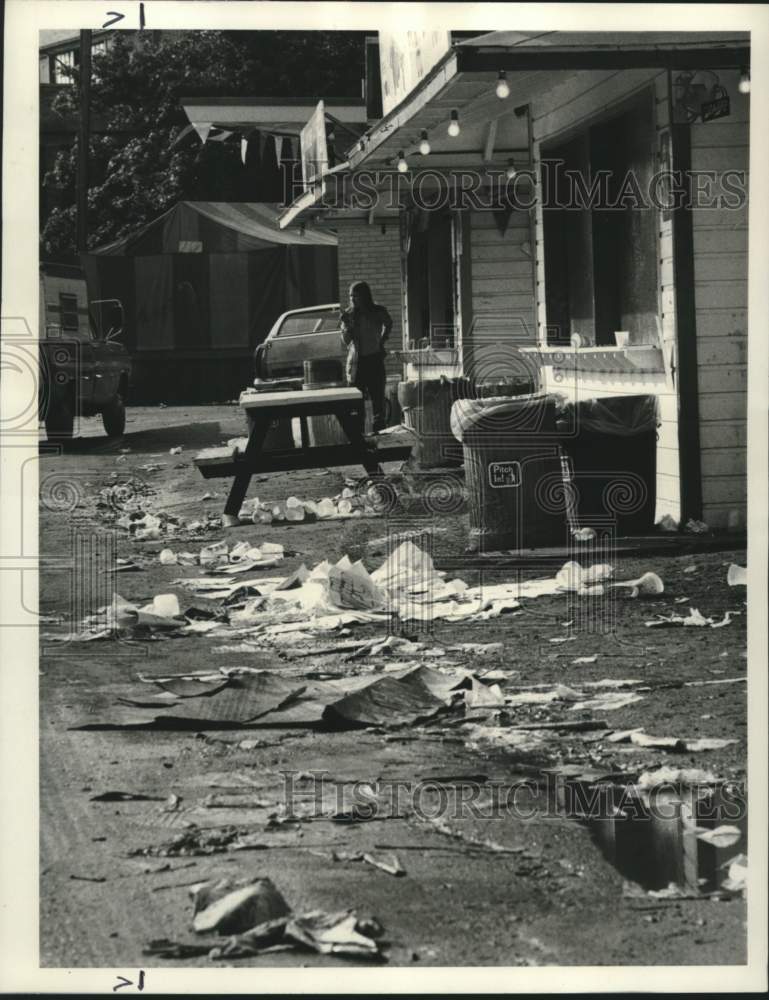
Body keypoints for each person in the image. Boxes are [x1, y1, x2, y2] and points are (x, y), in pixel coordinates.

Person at [340, 280, 392, 434]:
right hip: (357, 363)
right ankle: (360, 441)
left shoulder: (377, 311)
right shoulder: (349, 315)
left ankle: (380, 439)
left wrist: (382, 340)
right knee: (356, 405)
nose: (353, 299)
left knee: (378, 404)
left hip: (374, 359)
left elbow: (388, 323)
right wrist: (347, 326)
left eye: (356, 296)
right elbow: (346, 342)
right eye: (351, 296)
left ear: (364, 296)